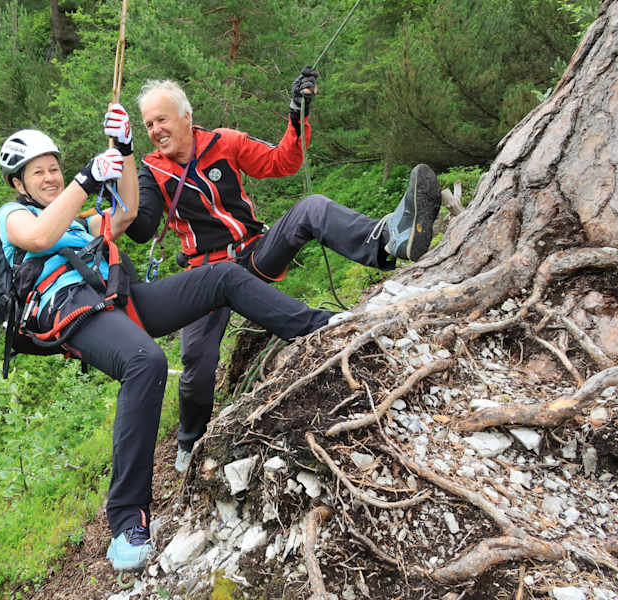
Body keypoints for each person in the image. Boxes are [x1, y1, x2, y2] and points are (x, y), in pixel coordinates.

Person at [0, 105, 337, 571]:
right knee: (146, 361)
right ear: (19, 183)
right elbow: (38, 236)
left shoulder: (76, 223)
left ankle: (318, 327)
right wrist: (85, 179)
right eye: (38, 172)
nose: (50, 177)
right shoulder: (13, 216)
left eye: (54, 168)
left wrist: (125, 151)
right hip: (69, 309)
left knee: (221, 277)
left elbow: (127, 215)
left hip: (116, 299)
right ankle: (126, 524)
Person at [125, 69, 443, 473]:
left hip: (254, 253)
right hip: (204, 275)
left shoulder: (224, 142)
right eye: (148, 124)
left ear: (186, 117)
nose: (155, 130)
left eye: (162, 119)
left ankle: (389, 238)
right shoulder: (152, 171)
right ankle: (190, 442)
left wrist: (297, 115)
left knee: (311, 208)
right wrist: (121, 167)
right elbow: (143, 226)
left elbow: (282, 161)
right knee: (197, 365)